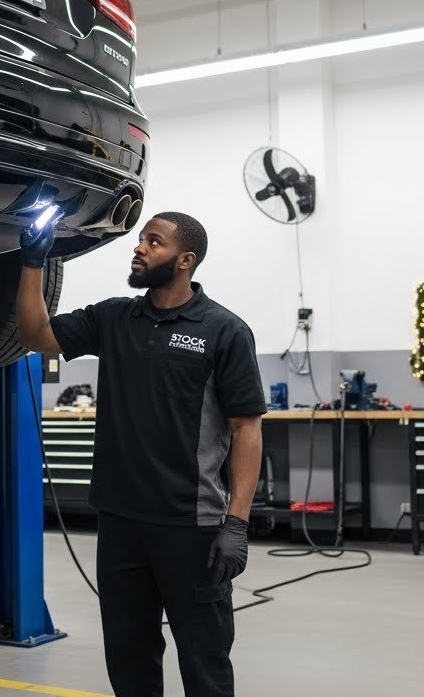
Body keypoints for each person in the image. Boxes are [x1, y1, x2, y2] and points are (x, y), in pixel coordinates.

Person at [16, 209, 266, 697]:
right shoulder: (113, 317)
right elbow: (35, 337)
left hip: (191, 527)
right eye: (140, 240)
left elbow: (246, 428)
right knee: (129, 659)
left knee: (205, 661)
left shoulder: (224, 331)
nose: (139, 248)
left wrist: (236, 524)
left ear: (185, 260)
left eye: (154, 242)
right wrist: (31, 263)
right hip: (120, 523)